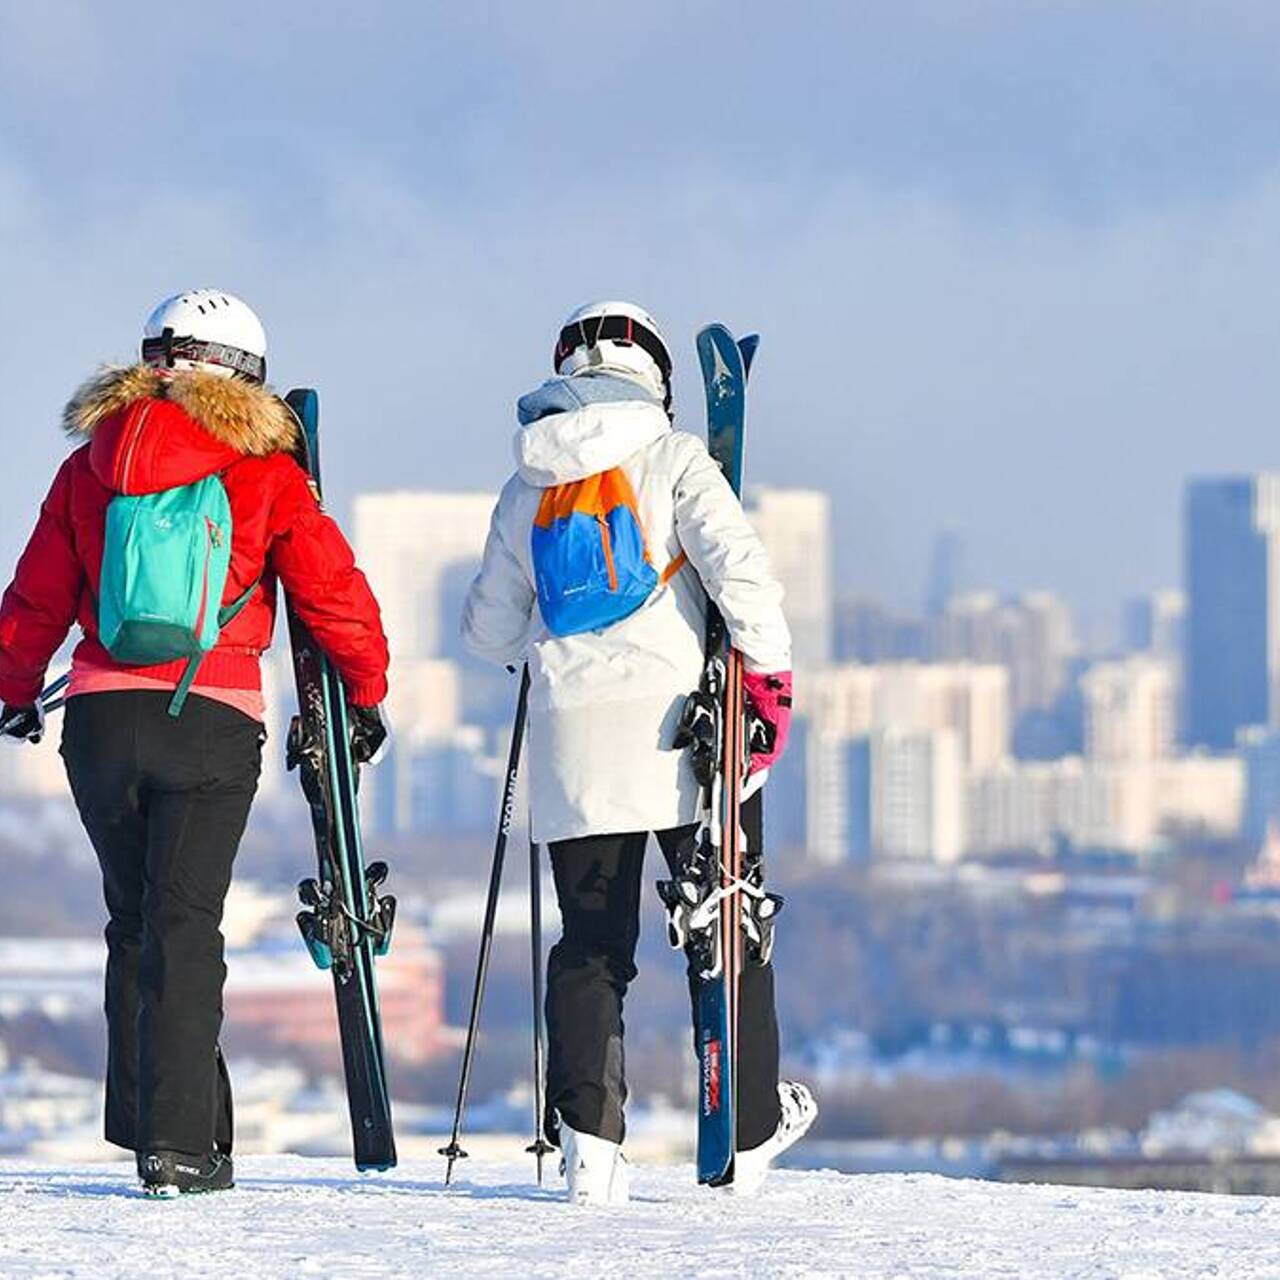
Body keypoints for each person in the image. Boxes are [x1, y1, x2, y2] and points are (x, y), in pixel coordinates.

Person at [0, 290, 390, 1196]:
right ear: (247, 374)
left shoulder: (88, 466)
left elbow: (35, 599)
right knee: (185, 922)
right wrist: (365, 692)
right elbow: (334, 593)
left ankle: (148, 1123)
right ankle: (178, 1146)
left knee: (132, 920)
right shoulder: (266, 471)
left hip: (99, 721)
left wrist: (14, 691)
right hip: (211, 719)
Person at [462, 299, 816, 1205]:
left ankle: (590, 1148)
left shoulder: (525, 483)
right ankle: (742, 1126)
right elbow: (745, 578)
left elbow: (489, 632)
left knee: (590, 945)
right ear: (658, 373)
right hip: (686, 733)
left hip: (573, 740)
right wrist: (768, 686)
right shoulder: (674, 459)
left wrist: (555, 646)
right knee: (724, 920)